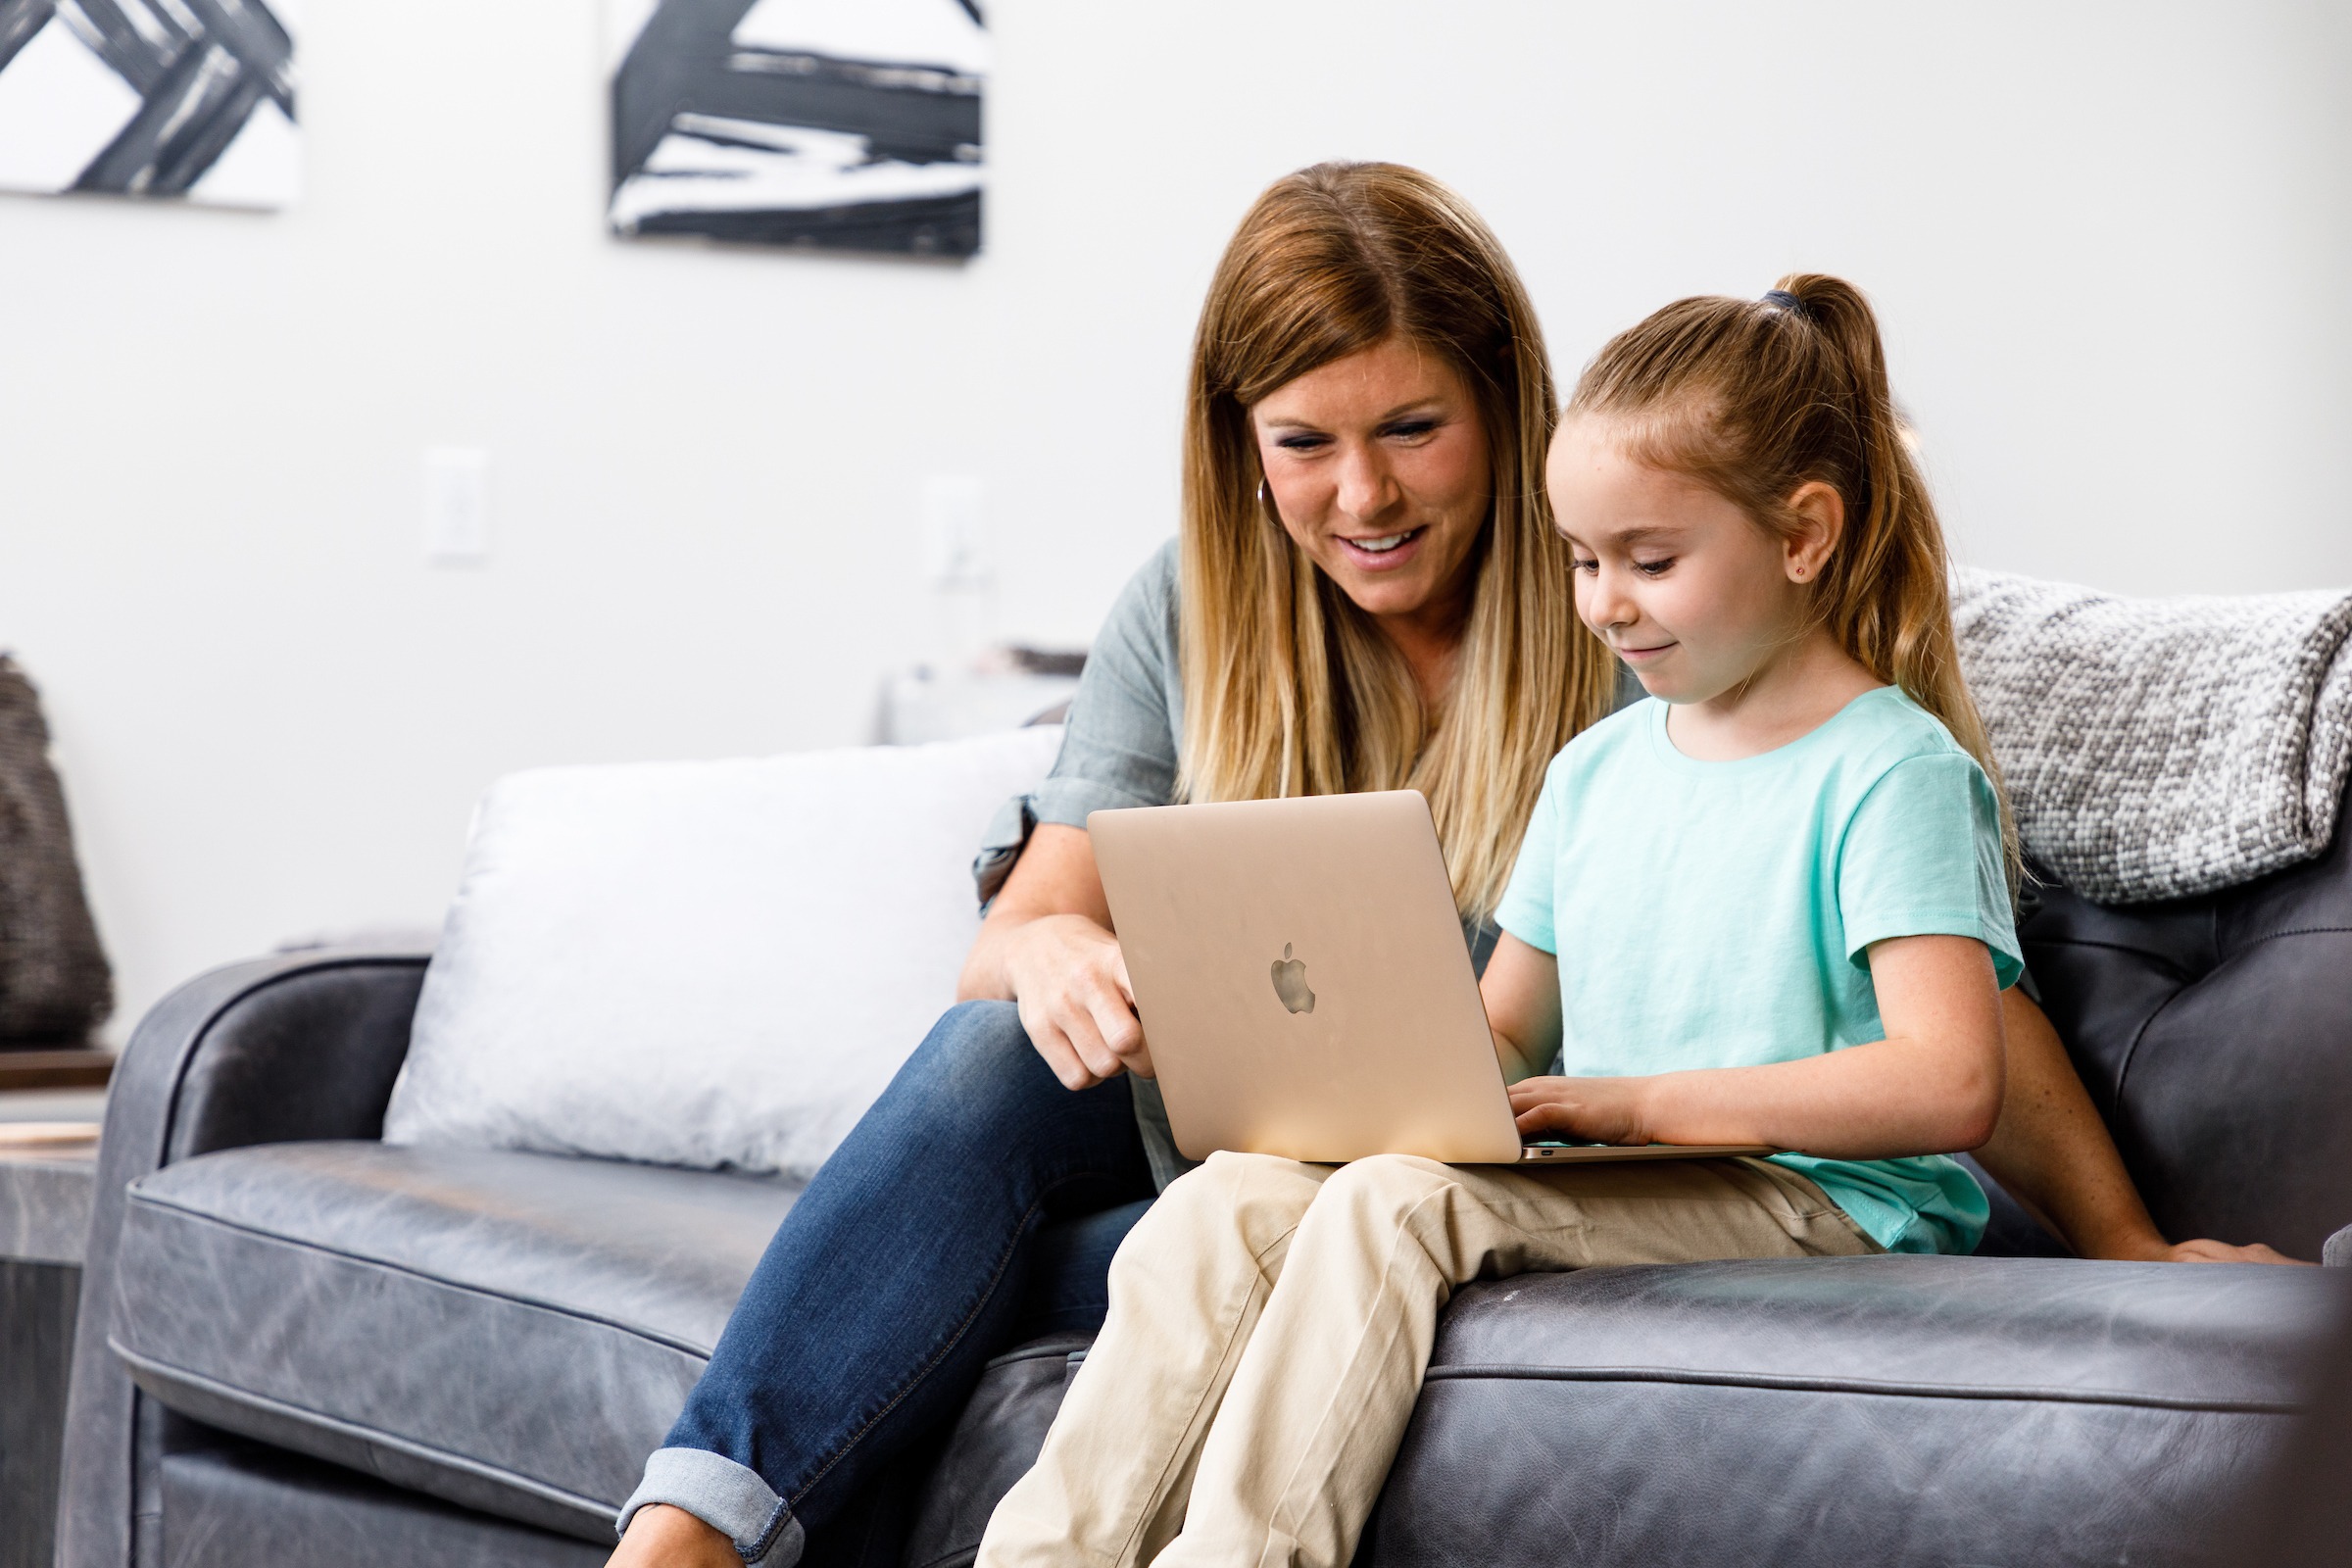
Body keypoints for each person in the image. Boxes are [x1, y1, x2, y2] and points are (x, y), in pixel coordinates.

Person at [609, 178, 2286, 1568]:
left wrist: (2123, 1239)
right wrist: (1061, 959)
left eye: (1415, 425)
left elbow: (1952, 1016)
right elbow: (1475, 1026)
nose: (1365, 493)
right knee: (1190, 1187)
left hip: (1666, 1160)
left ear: (1508, 405)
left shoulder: (1697, 679)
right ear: (1240, 446)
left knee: (1346, 1208)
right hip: (1323, 1128)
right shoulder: (1470, 693)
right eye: (1305, 444)